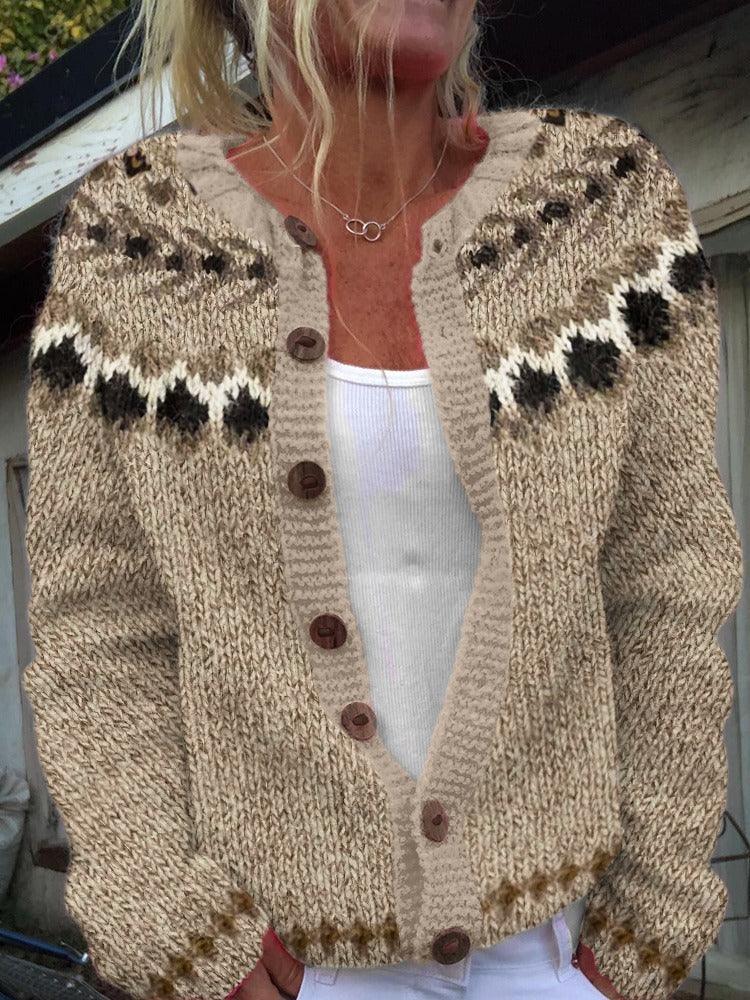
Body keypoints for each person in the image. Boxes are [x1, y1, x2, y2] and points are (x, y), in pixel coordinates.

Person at [20, 0, 743, 999]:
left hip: (555, 953)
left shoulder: (598, 206)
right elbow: (100, 623)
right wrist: (170, 923)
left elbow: (667, 579)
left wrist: (644, 930)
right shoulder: (137, 244)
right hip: (271, 960)